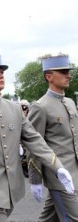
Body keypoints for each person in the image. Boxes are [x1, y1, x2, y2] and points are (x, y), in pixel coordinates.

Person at [0, 53, 74, 221]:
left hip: (11, 189)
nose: (1, 75)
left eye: (2, 71)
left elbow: (34, 140)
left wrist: (57, 166)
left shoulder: (14, 109)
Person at [28, 55, 78, 221]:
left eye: (68, 71)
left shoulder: (70, 102)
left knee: (50, 217)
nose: (68, 75)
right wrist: (35, 179)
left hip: (75, 173)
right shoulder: (40, 106)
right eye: (63, 72)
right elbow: (33, 144)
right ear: (49, 77)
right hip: (58, 176)